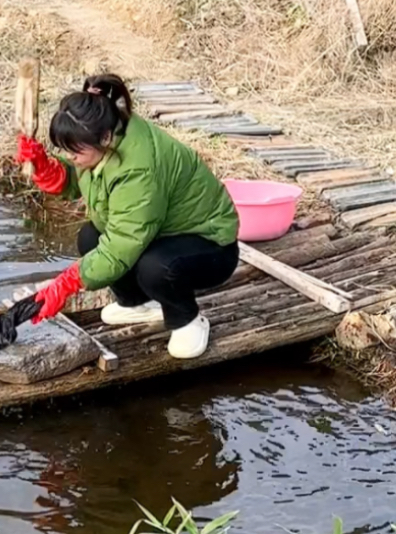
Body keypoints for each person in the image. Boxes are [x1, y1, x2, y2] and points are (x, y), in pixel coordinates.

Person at [15, 73, 240, 360]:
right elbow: (82, 179)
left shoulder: (139, 169)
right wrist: (46, 167)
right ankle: (137, 303)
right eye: (65, 150)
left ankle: (187, 319)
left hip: (211, 245)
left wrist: (67, 283)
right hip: (161, 231)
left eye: (74, 151)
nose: (71, 157)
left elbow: (122, 243)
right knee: (90, 237)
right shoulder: (103, 136)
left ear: (105, 138)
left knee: (154, 267)